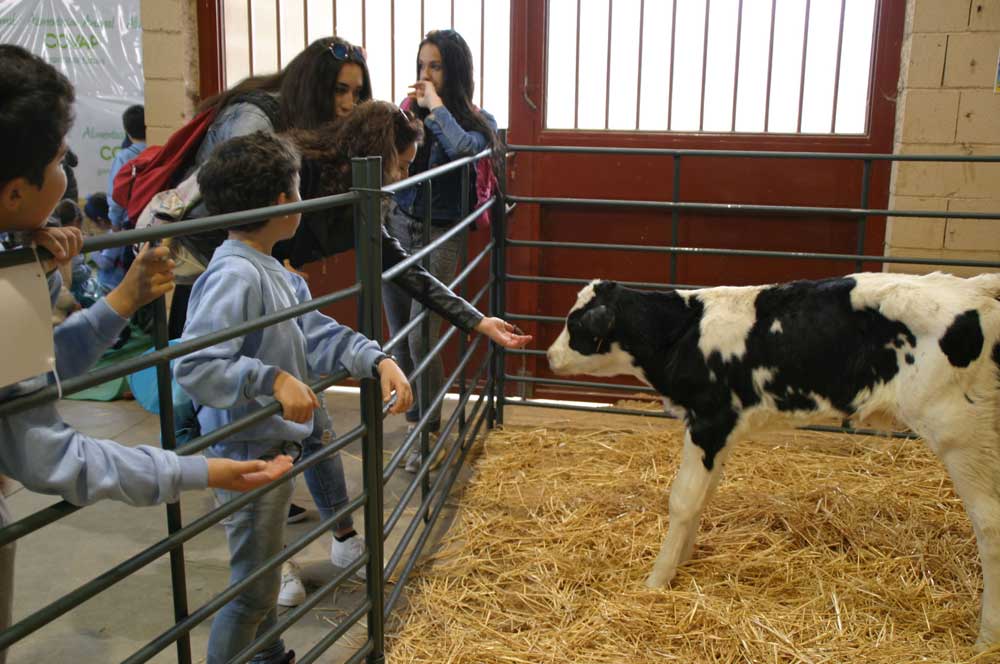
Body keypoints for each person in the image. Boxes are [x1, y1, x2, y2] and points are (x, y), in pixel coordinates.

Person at [0, 45, 293, 664]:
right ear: (14, 190)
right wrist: (203, 470)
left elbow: (32, 372)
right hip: (237, 443)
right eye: (59, 159)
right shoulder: (235, 272)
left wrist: (118, 300)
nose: (70, 173)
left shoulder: (18, 256)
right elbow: (51, 454)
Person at [174, 131, 412, 664]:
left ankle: (269, 655)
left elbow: (316, 333)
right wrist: (271, 380)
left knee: (260, 570)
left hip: (273, 450)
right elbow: (196, 362)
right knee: (251, 588)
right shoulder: (235, 275)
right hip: (243, 457)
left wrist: (376, 358)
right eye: (300, 190)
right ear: (285, 203)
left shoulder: (274, 271)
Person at [386, 29, 503, 471]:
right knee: (399, 332)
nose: (425, 75)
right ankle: (418, 425)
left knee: (422, 333)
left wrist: (436, 108)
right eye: (421, 66)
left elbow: (467, 150)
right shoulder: (404, 115)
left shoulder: (476, 120)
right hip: (399, 224)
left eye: (434, 66)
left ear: (454, 71)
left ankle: (428, 434)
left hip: (442, 233)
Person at [108, 104, 147, 229]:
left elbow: (116, 194)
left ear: (127, 131)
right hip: (156, 216)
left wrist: (115, 221)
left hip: (131, 221)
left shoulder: (124, 158)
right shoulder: (159, 150)